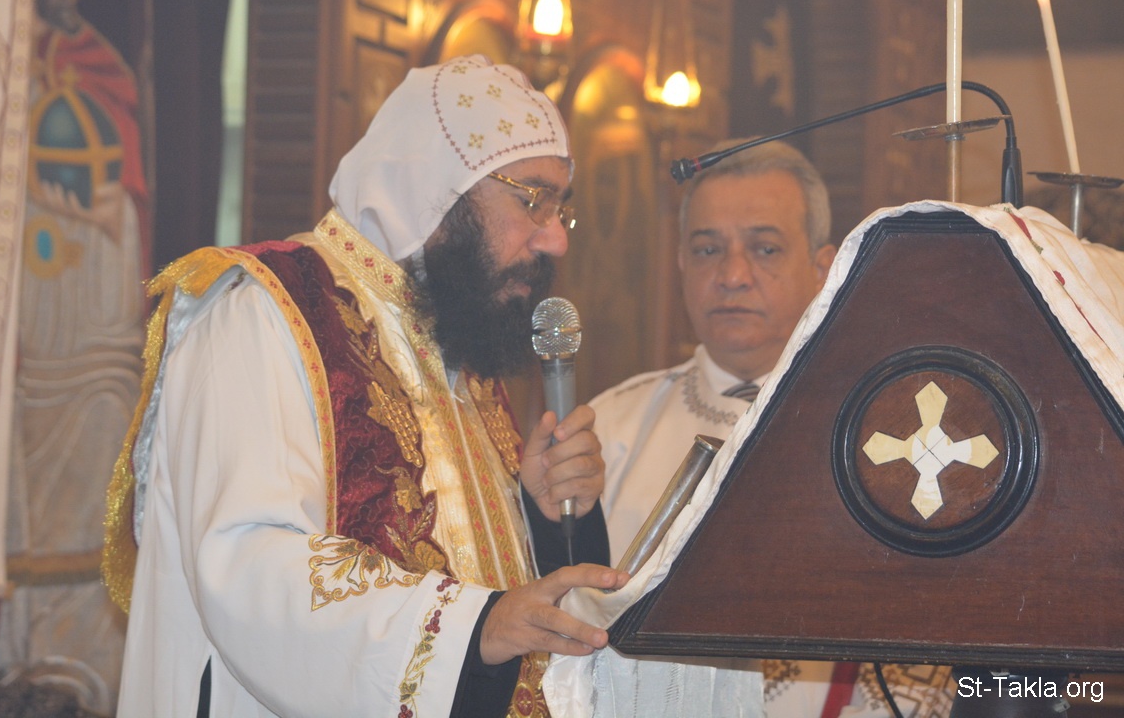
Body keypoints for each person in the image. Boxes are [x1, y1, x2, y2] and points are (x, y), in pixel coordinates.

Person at [102, 55, 628, 718]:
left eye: (561, 209)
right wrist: (468, 628)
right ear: (439, 185)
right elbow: (245, 565)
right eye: (533, 200)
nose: (554, 239)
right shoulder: (264, 312)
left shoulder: (456, 343)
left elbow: (475, 572)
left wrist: (539, 516)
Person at [593, 139, 954, 717]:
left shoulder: (887, 434)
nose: (733, 275)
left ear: (822, 269)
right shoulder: (608, 431)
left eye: (765, 248)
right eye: (707, 249)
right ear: (680, 264)